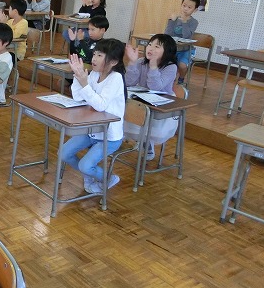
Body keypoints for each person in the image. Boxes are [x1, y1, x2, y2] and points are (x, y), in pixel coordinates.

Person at [61, 38, 126, 194]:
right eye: (94, 54)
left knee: (85, 165)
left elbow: (100, 105)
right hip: (91, 129)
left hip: (109, 136)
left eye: (100, 55)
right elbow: (78, 97)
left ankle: (108, 178)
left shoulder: (116, 78)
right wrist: (78, 76)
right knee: (63, 154)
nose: (94, 58)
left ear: (113, 61)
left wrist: (84, 83)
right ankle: (89, 177)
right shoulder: (94, 74)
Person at [124, 34, 178, 161]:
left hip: (162, 102)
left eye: (157, 46)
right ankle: (142, 140)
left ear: (167, 51)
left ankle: (147, 142)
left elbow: (156, 88)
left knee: (152, 129)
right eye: (149, 44)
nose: (151, 48)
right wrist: (132, 63)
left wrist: (153, 67)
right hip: (144, 98)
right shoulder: (141, 62)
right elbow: (129, 82)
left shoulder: (171, 67)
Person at [164, 0, 200, 84]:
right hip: (173, 49)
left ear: (195, 10)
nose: (185, 9)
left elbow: (186, 36)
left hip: (186, 50)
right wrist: (171, 21)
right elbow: (167, 34)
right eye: (184, 6)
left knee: (182, 65)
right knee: (166, 63)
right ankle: (170, 80)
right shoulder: (175, 19)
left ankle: (181, 79)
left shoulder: (194, 22)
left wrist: (184, 22)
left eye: (189, 7)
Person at [0, 0, 28, 65]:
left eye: (9, 9)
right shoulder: (10, 21)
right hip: (6, 49)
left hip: (16, 52)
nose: (8, 10)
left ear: (15, 11)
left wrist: (4, 23)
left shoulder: (23, 23)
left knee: (2, 60)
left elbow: (14, 35)